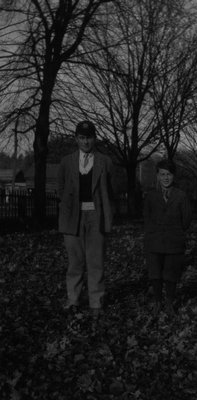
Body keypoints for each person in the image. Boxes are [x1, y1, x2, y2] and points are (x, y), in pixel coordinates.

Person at [58, 120, 114, 319]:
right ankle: (73, 300)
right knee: (75, 262)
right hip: (73, 217)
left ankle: (96, 301)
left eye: (89, 137)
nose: (86, 142)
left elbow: (110, 190)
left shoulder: (105, 161)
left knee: (95, 260)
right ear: (76, 139)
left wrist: (107, 214)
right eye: (81, 138)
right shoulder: (66, 162)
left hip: (95, 216)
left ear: (94, 138)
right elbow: (61, 189)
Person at [144, 159, 192, 318]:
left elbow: (186, 220)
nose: (166, 178)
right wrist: (154, 233)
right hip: (154, 240)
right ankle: (158, 302)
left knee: (171, 274)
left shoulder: (181, 196)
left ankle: (170, 302)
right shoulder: (150, 195)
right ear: (157, 176)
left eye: (169, 174)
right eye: (162, 174)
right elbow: (146, 217)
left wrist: (174, 231)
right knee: (155, 274)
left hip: (174, 241)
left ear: (174, 176)